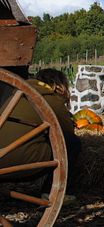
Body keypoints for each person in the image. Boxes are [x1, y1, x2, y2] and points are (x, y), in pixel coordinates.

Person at [0, 69, 81, 204]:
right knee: (72, 143)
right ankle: (51, 192)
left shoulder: (13, 92)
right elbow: (67, 132)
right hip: (17, 161)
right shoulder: (50, 97)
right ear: (58, 86)